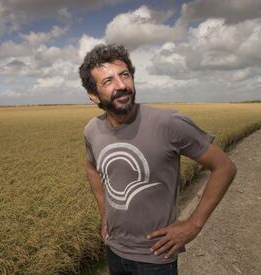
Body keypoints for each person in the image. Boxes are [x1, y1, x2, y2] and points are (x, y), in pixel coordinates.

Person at [79, 44, 237, 275]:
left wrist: (193, 225)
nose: (122, 85)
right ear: (93, 95)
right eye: (108, 81)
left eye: (125, 75)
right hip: (114, 249)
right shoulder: (93, 130)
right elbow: (91, 167)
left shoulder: (169, 123)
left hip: (155, 256)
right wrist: (104, 213)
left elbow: (224, 167)